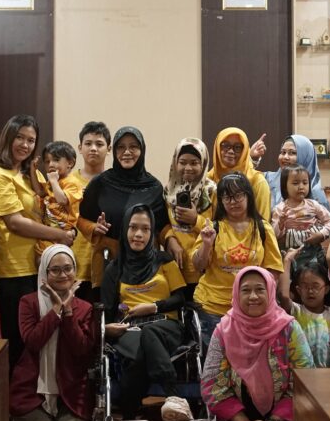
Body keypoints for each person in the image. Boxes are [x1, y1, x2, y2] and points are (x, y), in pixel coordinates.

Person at [0, 115, 76, 368]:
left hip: (41, 267)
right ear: (8, 138)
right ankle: (16, 390)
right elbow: (15, 222)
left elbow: (52, 207)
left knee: (43, 339)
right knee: (19, 343)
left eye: (31, 140)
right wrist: (59, 236)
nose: (25, 145)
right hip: (15, 270)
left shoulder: (31, 174)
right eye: (20, 138)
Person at [102, 204, 192, 421]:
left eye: (145, 229)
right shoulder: (114, 269)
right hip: (130, 330)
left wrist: (152, 307)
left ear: (152, 233)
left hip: (166, 325)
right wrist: (108, 327)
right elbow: (107, 311)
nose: (138, 234)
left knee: (148, 335)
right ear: (125, 230)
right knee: (139, 350)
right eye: (133, 228)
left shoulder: (164, 260)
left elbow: (180, 298)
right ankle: (173, 397)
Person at [201, 267, 311, 421]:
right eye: (245, 290)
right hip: (239, 416)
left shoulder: (289, 328)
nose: (253, 296)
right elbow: (212, 384)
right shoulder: (223, 330)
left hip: (282, 415)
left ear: (270, 292)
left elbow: (304, 381)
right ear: (236, 293)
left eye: (260, 289)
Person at [10, 245, 96, 421]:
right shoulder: (28, 302)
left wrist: (68, 312)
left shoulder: (85, 308)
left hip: (71, 389)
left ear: (75, 270)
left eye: (68, 268)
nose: (63, 275)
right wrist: (56, 310)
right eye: (55, 270)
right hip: (32, 390)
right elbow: (33, 342)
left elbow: (81, 349)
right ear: (44, 273)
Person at [192, 172, 284, 345]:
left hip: (251, 307)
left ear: (248, 196)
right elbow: (198, 265)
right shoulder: (213, 227)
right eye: (226, 197)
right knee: (216, 358)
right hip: (213, 306)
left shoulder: (263, 228)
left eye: (238, 196)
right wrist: (206, 244)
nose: (233, 202)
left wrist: (260, 301)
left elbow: (273, 271)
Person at [79, 126, 174, 289]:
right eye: (121, 147)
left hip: (143, 265)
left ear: (142, 150)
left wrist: (171, 240)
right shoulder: (100, 183)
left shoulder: (154, 187)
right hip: (109, 263)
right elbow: (81, 219)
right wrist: (94, 228)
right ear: (114, 150)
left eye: (133, 146)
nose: (127, 152)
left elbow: (162, 224)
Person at [162, 137, 217, 297]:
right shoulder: (168, 190)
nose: (188, 168)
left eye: (194, 163)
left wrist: (196, 220)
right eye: (182, 162)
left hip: (203, 268)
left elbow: (221, 226)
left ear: (203, 164)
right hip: (174, 266)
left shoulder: (212, 191)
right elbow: (162, 223)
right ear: (175, 163)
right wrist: (170, 239)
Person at [66, 121, 111, 298]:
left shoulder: (115, 182)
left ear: (109, 149)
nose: (93, 148)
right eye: (88, 143)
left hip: (106, 265)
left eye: (99, 144)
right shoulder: (66, 182)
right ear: (80, 147)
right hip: (72, 264)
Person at [279, 248, 330, 367]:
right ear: (298, 290)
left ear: (326, 289)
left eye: (315, 286)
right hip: (301, 373)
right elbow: (284, 296)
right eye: (305, 286)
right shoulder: (296, 311)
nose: (310, 291)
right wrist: (287, 260)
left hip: (329, 374)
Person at [30, 141, 83, 262]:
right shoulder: (52, 181)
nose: (51, 164)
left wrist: (54, 181)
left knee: (55, 260)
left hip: (64, 231)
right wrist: (33, 171)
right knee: (42, 259)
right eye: (47, 161)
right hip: (50, 229)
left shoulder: (72, 182)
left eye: (56, 160)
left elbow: (62, 200)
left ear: (70, 163)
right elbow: (40, 192)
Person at [210, 127, 273, 222]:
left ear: (244, 151)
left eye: (237, 147)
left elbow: (263, 223)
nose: (231, 151)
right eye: (225, 145)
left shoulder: (257, 181)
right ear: (217, 147)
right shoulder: (208, 180)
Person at [271, 165, 330, 256]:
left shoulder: (313, 204)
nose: (301, 187)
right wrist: (280, 224)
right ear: (285, 186)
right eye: (295, 183)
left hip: (313, 251)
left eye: (305, 183)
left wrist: (321, 234)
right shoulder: (280, 209)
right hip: (289, 253)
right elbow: (274, 235)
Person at [264, 135, 329, 208]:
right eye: (283, 152)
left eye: (292, 153)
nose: (285, 157)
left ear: (306, 157)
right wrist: (254, 159)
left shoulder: (316, 194)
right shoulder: (269, 179)